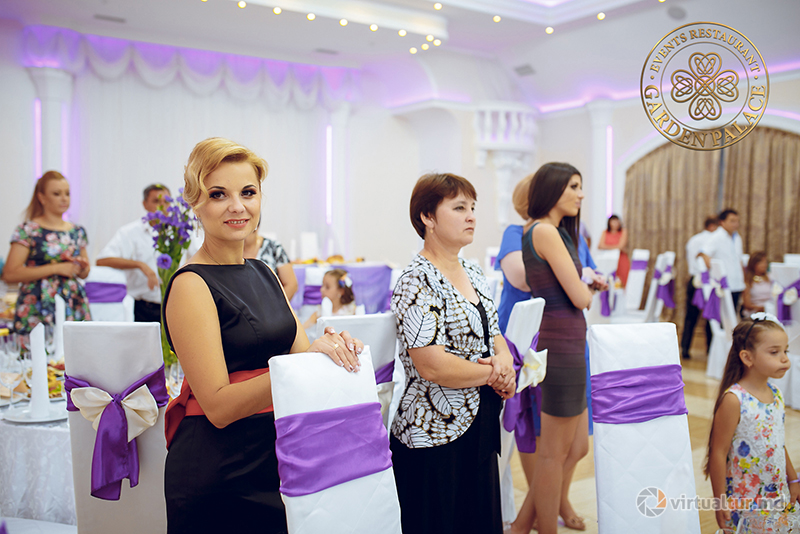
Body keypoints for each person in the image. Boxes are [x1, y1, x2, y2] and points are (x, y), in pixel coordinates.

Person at [161, 137, 363, 534]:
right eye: (218, 194)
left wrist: (335, 350)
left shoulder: (265, 273)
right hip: (219, 471)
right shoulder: (191, 285)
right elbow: (217, 406)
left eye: (248, 193)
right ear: (195, 203)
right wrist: (306, 364)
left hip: (276, 457)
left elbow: (303, 357)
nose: (238, 206)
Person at [390, 172, 516, 534]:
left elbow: (495, 333)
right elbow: (431, 365)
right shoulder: (416, 279)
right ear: (427, 217)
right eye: (460, 208)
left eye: (473, 208)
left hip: (479, 422)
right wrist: (494, 374)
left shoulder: (473, 270)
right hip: (432, 431)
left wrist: (505, 362)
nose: (471, 216)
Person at [510, 163, 606, 534]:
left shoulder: (551, 231)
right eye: (574, 186)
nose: (581, 194)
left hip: (567, 342)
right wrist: (587, 289)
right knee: (553, 453)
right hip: (560, 346)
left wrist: (583, 288)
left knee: (577, 445)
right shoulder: (545, 231)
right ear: (553, 190)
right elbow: (579, 297)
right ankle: (544, 527)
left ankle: (522, 524)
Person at [704, 314, 799, 530]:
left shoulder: (776, 394)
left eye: (785, 351)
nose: (785, 359)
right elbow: (718, 452)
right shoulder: (734, 399)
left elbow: (778, 442)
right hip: (746, 499)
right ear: (747, 358)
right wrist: (720, 502)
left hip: (777, 495)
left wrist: (793, 480)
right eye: (774, 352)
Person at [1, 171, 91, 334]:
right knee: (36, 347)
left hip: (71, 302)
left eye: (67, 194)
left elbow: (84, 273)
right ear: (41, 197)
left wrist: (82, 267)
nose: (64, 199)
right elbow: (10, 273)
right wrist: (56, 268)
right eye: (57, 194)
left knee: (74, 346)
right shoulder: (27, 230)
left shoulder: (77, 231)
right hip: (37, 304)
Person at [97, 184, 200, 323]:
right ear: (144, 204)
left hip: (176, 305)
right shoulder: (130, 232)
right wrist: (140, 265)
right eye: (156, 201)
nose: (162, 206)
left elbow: (200, 256)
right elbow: (102, 260)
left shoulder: (180, 230)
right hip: (144, 309)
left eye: (166, 201)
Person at [680, 216, 719, 360]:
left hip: (694, 279)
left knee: (690, 317)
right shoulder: (713, 240)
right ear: (712, 226)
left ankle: (685, 348)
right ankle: (710, 350)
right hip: (707, 281)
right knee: (711, 316)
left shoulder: (694, 240)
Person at [700, 209, 745, 310]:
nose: (736, 224)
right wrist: (716, 273)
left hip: (737, 283)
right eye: (732, 221)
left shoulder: (737, 237)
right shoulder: (716, 237)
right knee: (721, 314)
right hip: (723, 284)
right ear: (722, 222)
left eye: (737, 221)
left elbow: (739, 260)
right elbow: (704, 254)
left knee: (733, 312)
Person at [243, 224, 297, 300]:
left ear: (256, 228)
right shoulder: (229, 251)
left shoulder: (274, 247)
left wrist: (278, 305)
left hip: (271, 302)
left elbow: (291, 284)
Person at [597, 214, 630, 287]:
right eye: (613, 222)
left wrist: (607, 246)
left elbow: (621, 246)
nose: (615, 224)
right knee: (608, 280)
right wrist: (616, 247)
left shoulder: (623, 231)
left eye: (616, 222)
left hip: (621, 260)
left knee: (622, 281)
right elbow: (600, 246)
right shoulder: (605, 232)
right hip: (608, 260)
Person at [741, 252, 771, 317]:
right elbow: (747, 305)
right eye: (761, 263)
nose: (765, 265)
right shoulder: (748, 281)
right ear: (754, 264)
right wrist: (762, 308)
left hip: (770, 311)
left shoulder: (770, 278)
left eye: (765, 262)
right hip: (754, 313)